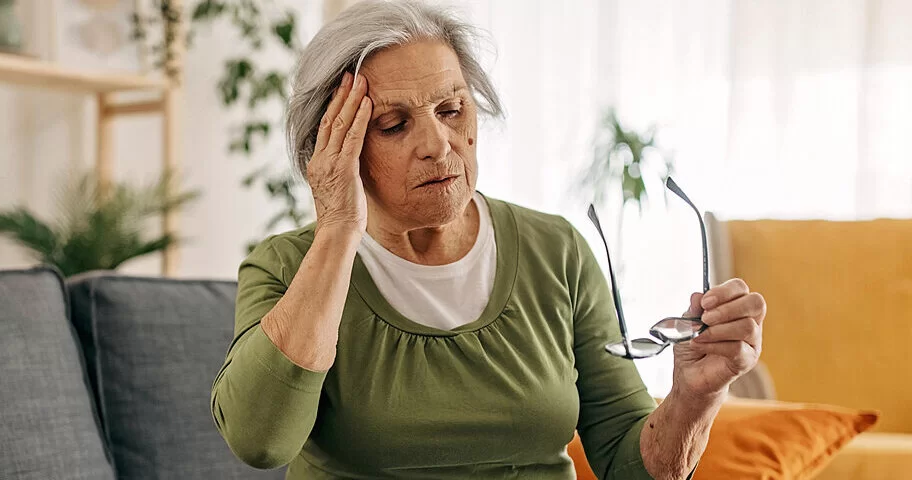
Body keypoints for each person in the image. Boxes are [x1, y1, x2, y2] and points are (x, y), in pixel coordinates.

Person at [210, 1, 767, 478]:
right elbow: (260, 442)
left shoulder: (557, 250)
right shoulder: (285, 267)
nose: (438, 143)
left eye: (451, 109)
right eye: (394, 125)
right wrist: (337, 227)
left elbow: (629, 464)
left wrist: (697, 394)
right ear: (333, 143)